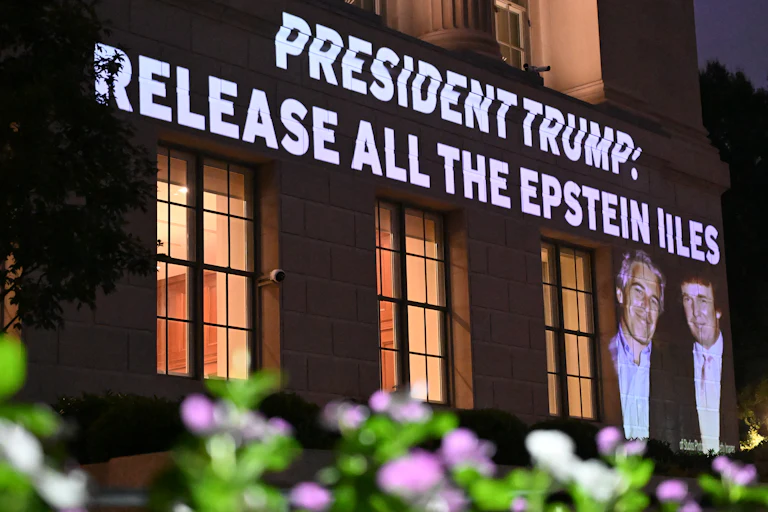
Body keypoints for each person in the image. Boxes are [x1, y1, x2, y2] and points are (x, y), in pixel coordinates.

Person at [608, 251, 665, 439]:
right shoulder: (600, 354)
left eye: (654, 301)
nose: (646, 306)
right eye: (638, 291)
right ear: (620, 294)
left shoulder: (670, 371)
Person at [681, 276, 723, 453]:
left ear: (718, 310)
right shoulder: (674, 366)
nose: (695, 312)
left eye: (702, 300)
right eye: (687, 300)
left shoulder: (737, 366)